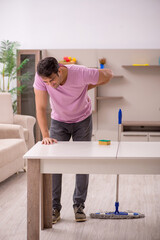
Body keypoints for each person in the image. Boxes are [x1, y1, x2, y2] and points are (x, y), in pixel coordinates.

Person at [33, 57, 113, 223]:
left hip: (82, 121)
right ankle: (54, 207)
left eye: (52, 80)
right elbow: (40, 108)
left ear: (60, 71)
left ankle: (79, 205)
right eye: (45, 82)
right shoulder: (41, 78)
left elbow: (108, 74)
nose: (49, 84)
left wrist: (87, 85)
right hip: (58, 122)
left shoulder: (80, 72)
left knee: (82, 162)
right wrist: (45, 136)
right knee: (54, 164)